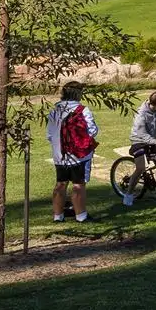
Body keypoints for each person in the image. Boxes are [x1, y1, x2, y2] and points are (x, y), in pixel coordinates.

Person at [46, 81, 98, 223]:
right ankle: (81, 215)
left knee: (61, 183)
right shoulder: (83, 110)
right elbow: (92, 131)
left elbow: (49, 135)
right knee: (78, 184)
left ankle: (58, 215)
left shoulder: (55, 111)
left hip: (59, 154)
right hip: (80, 155)